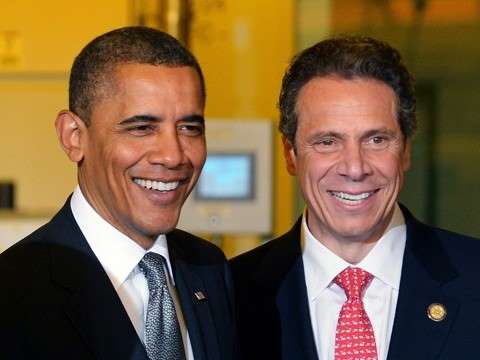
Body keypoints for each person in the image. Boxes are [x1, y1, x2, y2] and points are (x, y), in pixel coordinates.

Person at [231, 36, 480, 360]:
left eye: (376, 140)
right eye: (327, 142)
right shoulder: (229, 296)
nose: (354, 168)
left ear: (405, 151)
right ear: (290, 155)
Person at [0, 26, 237, 360]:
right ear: (73, 137)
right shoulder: (13, 293)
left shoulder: (210, 269)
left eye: (189, 128)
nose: (172, 155)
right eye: (142, 128)